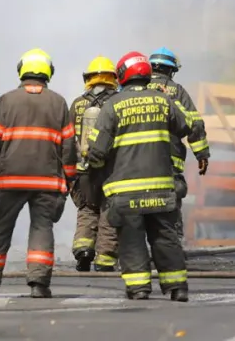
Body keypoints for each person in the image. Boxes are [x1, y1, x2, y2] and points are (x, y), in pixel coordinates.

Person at [86, 51, 192, 302]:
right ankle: (177, 287)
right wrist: (169, 101)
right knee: (165, 237)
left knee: (131, 240)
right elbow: (187, 125)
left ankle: (139, 288)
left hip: (126, 192)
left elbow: (97, 151)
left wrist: (95, 167)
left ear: (123, 75)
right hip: (161, 189)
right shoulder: (163, 101)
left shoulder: (113, 105)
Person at [0, 49, 76, 299]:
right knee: (42, 229)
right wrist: (69, 177)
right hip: (47, 182)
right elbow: (68, 147)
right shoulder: (58, 103)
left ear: (22, 71)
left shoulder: (7, 101)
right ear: (48, 72)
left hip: (9, 180)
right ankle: (38, 284)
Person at [147, 48, 210, 238]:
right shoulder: (177, 91)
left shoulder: (134, 89)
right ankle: (172, 244)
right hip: (169, 160)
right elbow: (194, 124)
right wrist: (202, 155)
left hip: (134, 160)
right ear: (171, 70)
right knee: (170, 205)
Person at [69, 56, 120, 272]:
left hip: (84, 171)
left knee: (87, 209)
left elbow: (69, 138)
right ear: (113, 78)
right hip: (111, 170)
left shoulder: (77, 104)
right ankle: (105, 258)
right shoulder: (119, 101)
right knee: (108, 211)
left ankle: (83, 249)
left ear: (88, 78)